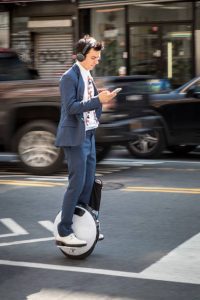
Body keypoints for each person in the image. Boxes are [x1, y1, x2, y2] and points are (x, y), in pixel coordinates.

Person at [55, 35, 117, 247]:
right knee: (77, 183)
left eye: (98, 57)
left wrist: (101, 98)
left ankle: (84, 224)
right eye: (93, 57)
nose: (96, 61)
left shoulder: (87, 75)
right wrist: (97, 100)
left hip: (89, 134)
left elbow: (88, 103)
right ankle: (64, 230)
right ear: (81, 56)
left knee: (88, 183)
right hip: (74, 138)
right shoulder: (68, 77)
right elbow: (71, 107)